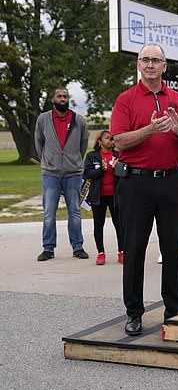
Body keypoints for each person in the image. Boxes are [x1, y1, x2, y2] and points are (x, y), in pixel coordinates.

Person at [111, 43, 178, 335]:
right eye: (145, 60)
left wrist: (176, 131)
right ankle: (134, 312)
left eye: (156, 60)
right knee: (134, 248)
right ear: (138, 65)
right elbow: (119, 142)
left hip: (172, 181)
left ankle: (175, 309)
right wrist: (150, 129)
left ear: (165, 67)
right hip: (136, 183)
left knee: (172, 247)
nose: (150, 64)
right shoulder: (126, 99)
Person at [34, 87, 89, 261]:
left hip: (73, 173)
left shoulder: (78, 120)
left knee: (74, 211)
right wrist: (49, 160)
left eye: (65, 96)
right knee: (49, 213)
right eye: (59, 96)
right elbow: (39, 142)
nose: (62, 99)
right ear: (53, 99)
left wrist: (73, 161)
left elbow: (83, 144)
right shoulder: (43, 119)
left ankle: (78, 247)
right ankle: (48, 248)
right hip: (50, 173)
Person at [83, 130, 123, 265]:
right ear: (100, 142)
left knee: (119, 224)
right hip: (98, 196)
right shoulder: (92, 156)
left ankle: (121, 252)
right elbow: (88, 173)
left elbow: (126, 172)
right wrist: (101, 169)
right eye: (107, 138)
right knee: (98, 225)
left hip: (115, 196)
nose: (111, 140)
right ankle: (101, 253)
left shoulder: (118, 155)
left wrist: (119, 167)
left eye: (112, 138)